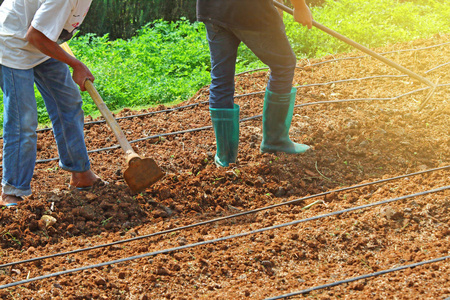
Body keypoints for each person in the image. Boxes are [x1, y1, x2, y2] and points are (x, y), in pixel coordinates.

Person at [0, 0, 100, 207]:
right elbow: (35, 35)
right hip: (11, 43)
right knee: (23, 119)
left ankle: (81, 173)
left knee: (69, 103)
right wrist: (76, 64)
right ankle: (12, 191)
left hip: (41, 42)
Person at [197, 0, 313, 167]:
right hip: (249, 9)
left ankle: (225, 158)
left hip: (213, 8)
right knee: (284, 64)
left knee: (221, 78)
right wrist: (300, 6)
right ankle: (275, 141)